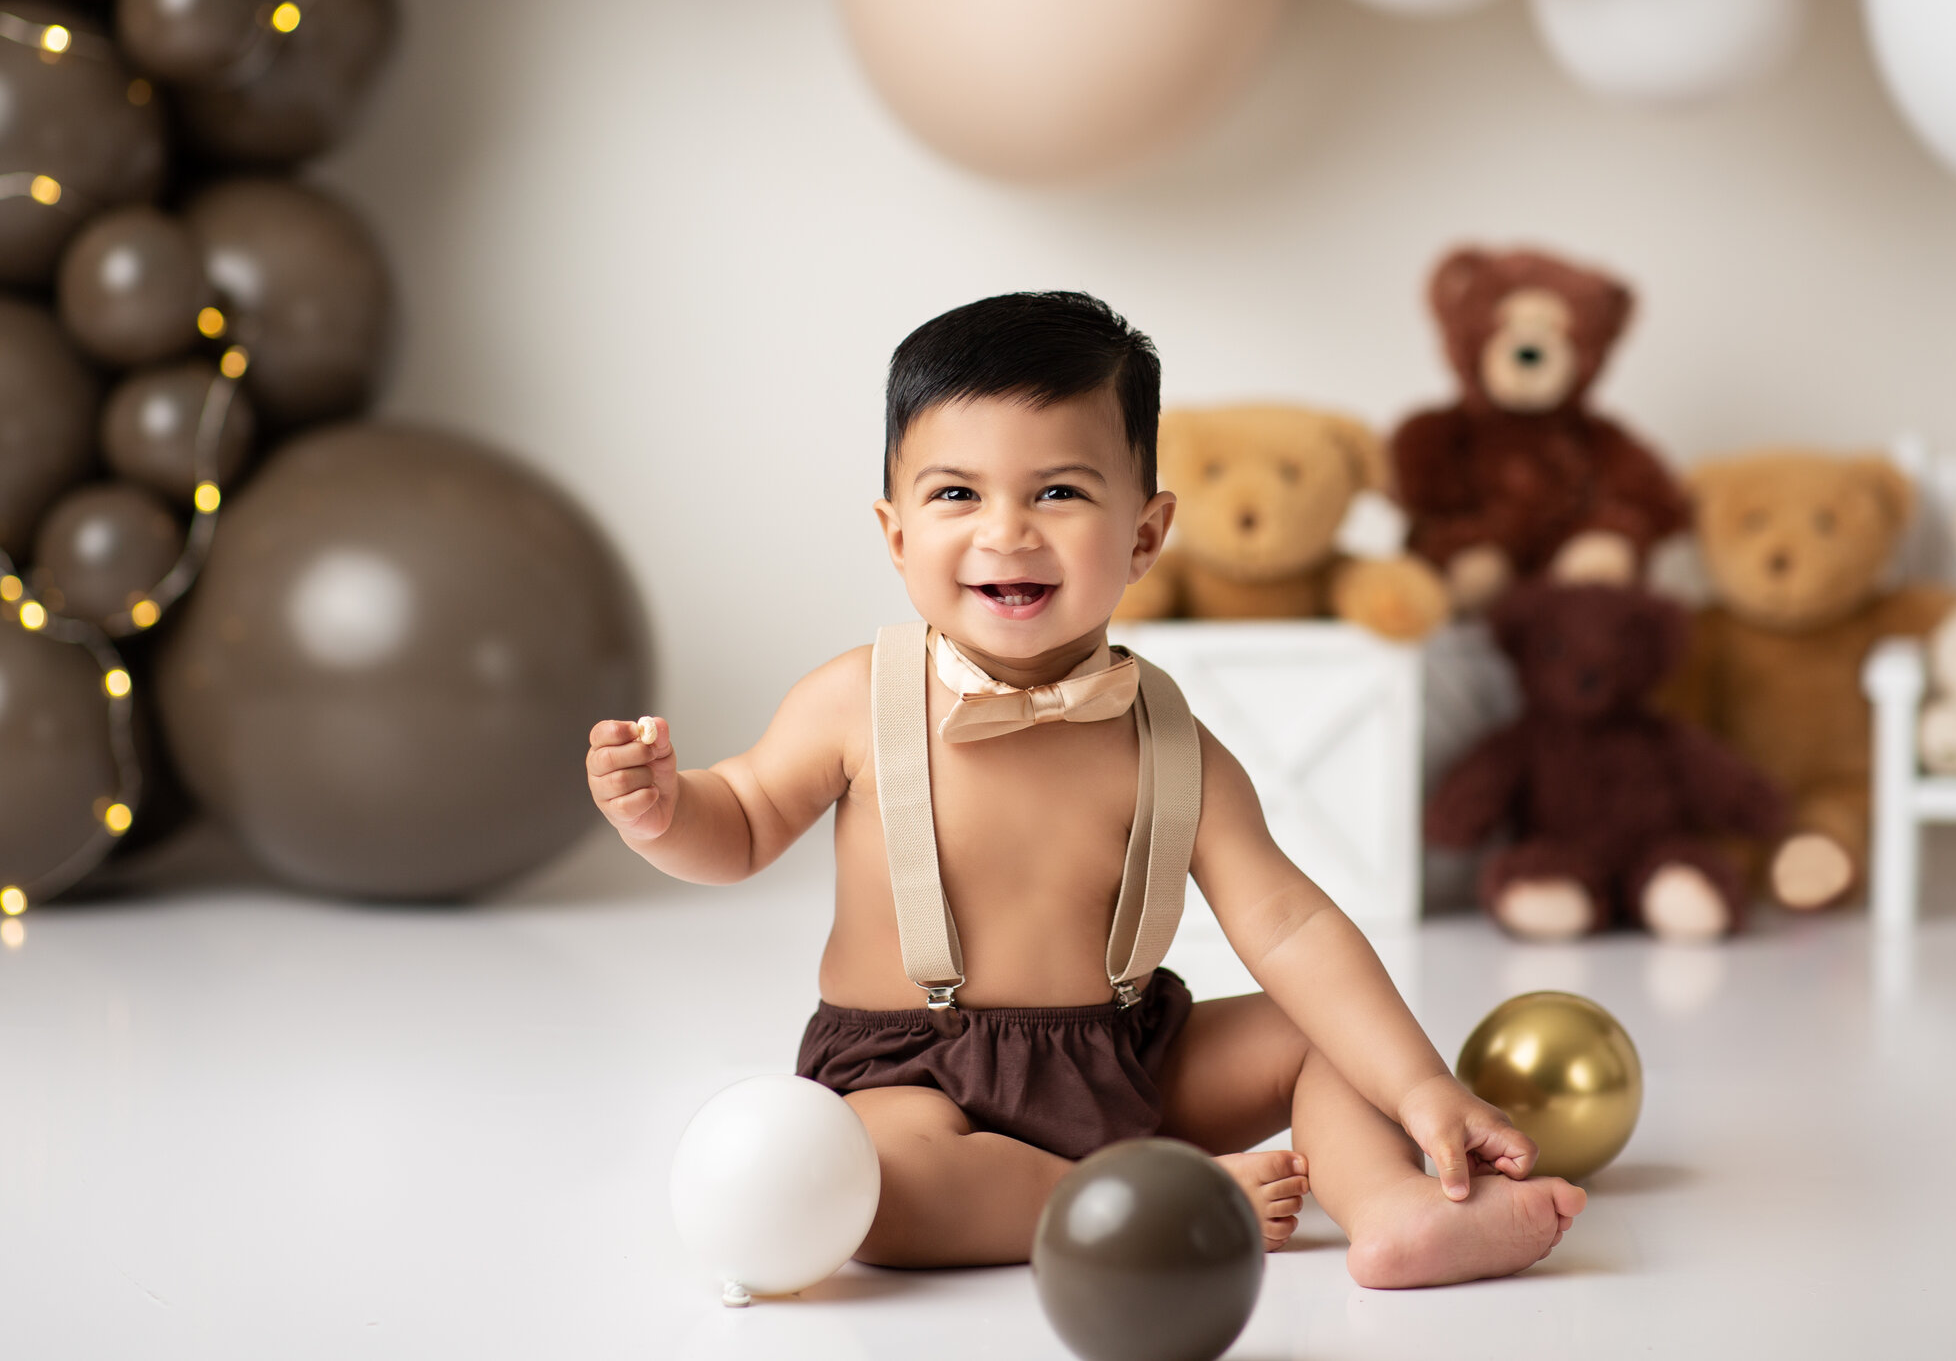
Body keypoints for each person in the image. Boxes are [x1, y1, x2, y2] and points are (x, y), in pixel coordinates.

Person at [585, 291, 1584, 1286]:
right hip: (911, 1072)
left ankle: (1394, 1206)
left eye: (1057, 491)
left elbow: (1287, 922)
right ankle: (1139, 1195)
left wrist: (1418, 1084)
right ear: (894, 535)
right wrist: (667, 812)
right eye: (955, 494)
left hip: (1123, 1054)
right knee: (875, 1182)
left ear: (1146, 534)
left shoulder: (1167, 736)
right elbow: (745, 822)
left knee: (1317, 1033)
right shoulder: (856, 698)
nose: (1007, 530)